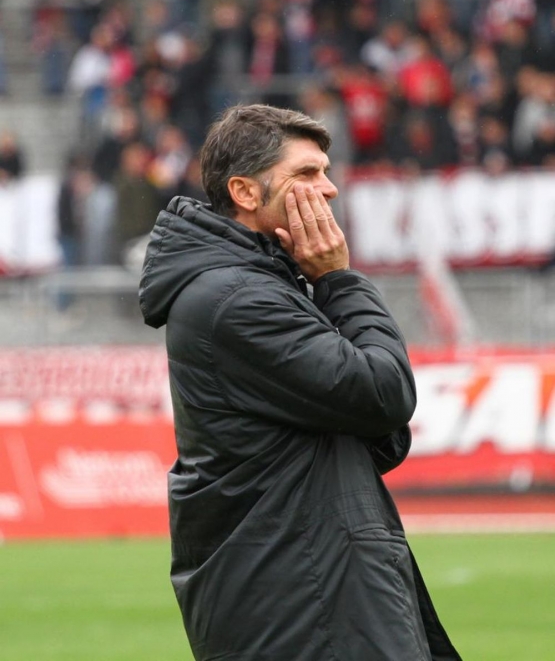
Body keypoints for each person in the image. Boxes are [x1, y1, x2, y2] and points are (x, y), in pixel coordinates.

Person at [139, 103, 462, 661]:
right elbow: (384, 394)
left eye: (326, 171)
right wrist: (339, 278)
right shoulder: (238, 298)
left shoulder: (264, 282)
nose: (328, 189)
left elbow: (378, 437)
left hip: (306, 585)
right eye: (307, 173)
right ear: (244, 192)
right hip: (303, 600)